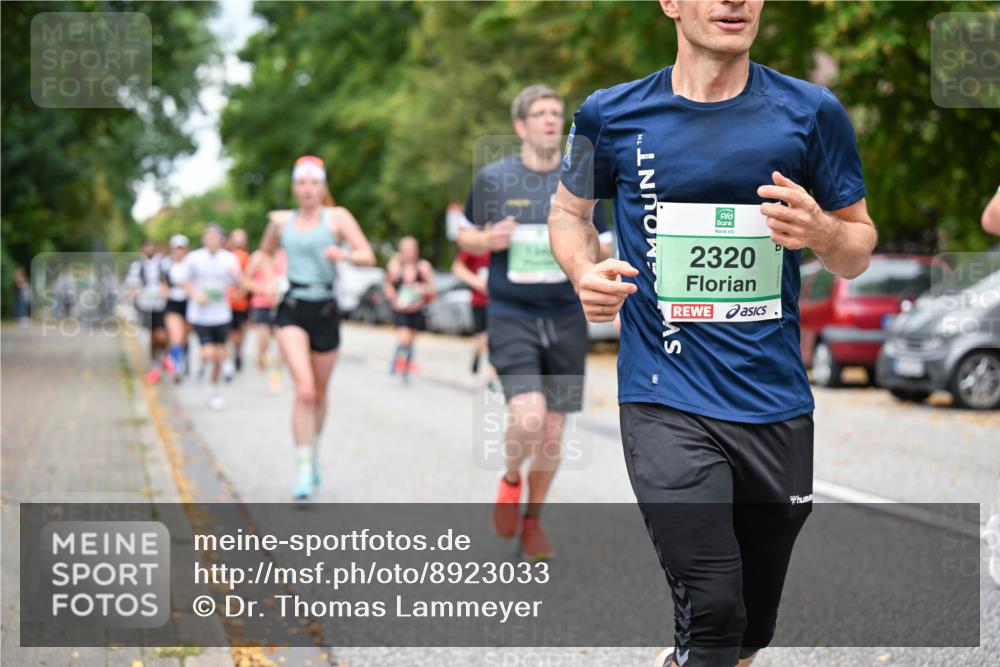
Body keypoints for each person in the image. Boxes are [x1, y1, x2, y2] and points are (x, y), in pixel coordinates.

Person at [552, 2, 877, 665]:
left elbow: (858, 246)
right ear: (670, 2)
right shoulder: (609, 115)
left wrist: (823, 233)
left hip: (774, 404)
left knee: (747, 631)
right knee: (715, 606)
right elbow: (567, 212)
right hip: (663, 394)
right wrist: (584, 269)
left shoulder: (812, 113)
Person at [459, 84, 614, 560]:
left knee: (551, 434)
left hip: (566, 315)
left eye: (556, 113)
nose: (551, 120)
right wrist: (488, 240)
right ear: (521, 126)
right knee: (527, 417)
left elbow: (605, 240)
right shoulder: (493, 179)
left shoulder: (583, 180)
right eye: (541, 114)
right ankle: (510, 481)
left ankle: (532, 520)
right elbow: (464, 235)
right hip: (513, 313)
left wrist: (589, 250)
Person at [261, 155, 376, 501]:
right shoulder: (281, 223)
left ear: (323, 186)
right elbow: (263, 254)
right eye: (302, 183)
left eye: (315, 183)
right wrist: (269, 279)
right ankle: (303, 468)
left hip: (325, 309)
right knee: (306, 390)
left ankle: (314, 452)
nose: (308, 189)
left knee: (322, 394)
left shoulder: (337, 218)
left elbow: (368, 255)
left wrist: (344, 255)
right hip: (292, 308)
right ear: (294, 188)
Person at [181, 224, 242, 410]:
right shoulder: (194, 258)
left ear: (221, 240)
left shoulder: (230, 258)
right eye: (209, 237)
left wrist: (235, 278)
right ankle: (202, 363)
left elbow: (240, 284)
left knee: (218, 357)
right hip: (200, 315)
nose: (212, 241)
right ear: (204, 239)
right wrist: (195, 295)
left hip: (221, 314)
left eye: (216, 237)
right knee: (209, 353)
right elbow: (183, 281)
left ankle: (212, 390)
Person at [385, 236, 436, 384]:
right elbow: (387, 285)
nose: (408, 253)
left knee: (411, 341)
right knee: (404, 338)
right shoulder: (395, 267)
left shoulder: (423, 267)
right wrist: (394, 299)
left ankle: (405, 369)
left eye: (411, 249)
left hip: (417, 309)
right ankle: (396, 361)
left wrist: (422, 289)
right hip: (400, 309)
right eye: (405, 249)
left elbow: (433, 289)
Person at [245, 245, 288, 393]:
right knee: (263, 340)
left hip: (283, 305)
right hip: (261, 304)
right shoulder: (258, 256)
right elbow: (245, 280)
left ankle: (276, 377)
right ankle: (262, 355)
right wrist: (263, 289)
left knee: (282, 343)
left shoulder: (287, 254)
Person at [127, 240, 169, 383]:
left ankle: (163, 358)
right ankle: (155, 365)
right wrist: (135, 294)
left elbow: (167, 280)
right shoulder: (137, 266)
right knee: (153, 336)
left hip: (161, 306)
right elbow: (133, 285)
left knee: (161, 336)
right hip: (145, 306)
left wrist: (165, 289)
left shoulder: (162, 263)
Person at [451, 249, 491, 376]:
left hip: (499, 301)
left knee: (493, 339)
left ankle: (493, 376)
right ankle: (477, 353)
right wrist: (477, 282)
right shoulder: (476, 244)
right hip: (479, 301)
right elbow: (457, 268)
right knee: (481, 338)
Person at [162, 234, 192, 382]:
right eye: (176, 249)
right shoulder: (166, 265)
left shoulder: (191, 265)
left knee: (184, 338)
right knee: (176, 336)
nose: (179, 252)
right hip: (173, 304)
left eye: (182, 249)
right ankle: (176, 367)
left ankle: (184, 359)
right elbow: (162, 283)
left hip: (188, 304)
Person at [226, 228, 252, 377]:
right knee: (231, 330)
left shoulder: (246, 257)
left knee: (239, 329)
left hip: (241, 302)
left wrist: (241, 293)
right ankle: (233, 352)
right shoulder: (226, 256)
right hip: (227, 301)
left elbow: (248, 278)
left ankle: (237, 351)